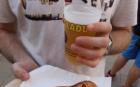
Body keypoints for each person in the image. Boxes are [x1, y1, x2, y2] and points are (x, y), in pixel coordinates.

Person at [0, 0, 138, 81]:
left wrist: (108, 44)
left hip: (90, 84)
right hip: (32, 80)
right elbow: (3, 30)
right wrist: (19, 57)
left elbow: (125, 31)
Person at [106, 0, 140, 87]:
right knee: (139, 65)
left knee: (126, 53)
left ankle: (110, 74)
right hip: (136, 29)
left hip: (137, 29)